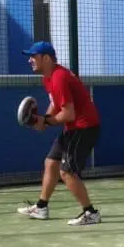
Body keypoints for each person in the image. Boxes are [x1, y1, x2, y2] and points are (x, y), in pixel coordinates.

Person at [16, 41, 102, 226]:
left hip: (84, 127)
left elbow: (68, 113)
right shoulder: (48, 77)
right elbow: (56, 104)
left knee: (67, 172)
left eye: (33, 56)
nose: (30, 60)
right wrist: (45, 119)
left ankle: (90, 213)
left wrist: (45, 121)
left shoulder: (59, 77)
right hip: (73, 126)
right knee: (51, 162)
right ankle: (41, 207)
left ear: (46, 58)